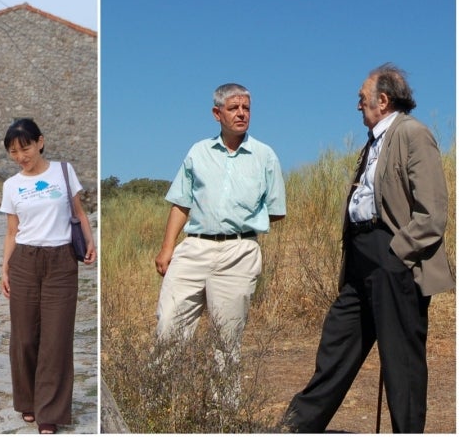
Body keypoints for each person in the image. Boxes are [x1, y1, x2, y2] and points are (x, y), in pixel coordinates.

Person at [282, 64, 454, 433]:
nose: (357, 104)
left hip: (392, 254)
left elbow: (433, 211)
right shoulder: (373, 142)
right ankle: (298, 427)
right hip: (360, 257)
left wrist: (397, 254)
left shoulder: (413, 134)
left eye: (362, 98)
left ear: (383, 100)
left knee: (401, 360)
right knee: (337, 344)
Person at [154, 83, 286, 379]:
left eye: (246, 108)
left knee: (227, 339)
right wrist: (167, 248)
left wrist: (242, 220)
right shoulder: (198, 152)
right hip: (194, 248)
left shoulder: (265, 156)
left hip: (239, 252)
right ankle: (160, 405)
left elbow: (276, 210)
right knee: (168, 326)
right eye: (233, 108)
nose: (241, 114)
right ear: (217, 113)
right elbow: (180, 203)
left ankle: (222, 415)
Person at [0, 118, 96, 434]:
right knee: (24, 337)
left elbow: (78, 213)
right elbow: (12, 231)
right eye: (13, 151)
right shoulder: (12, 185)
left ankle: (49, 412)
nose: (20, 156)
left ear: (40, 142)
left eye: (24, 147)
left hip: (61, 261)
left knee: (56, 338)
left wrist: (90, 241)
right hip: (25, 260)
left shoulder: (64, 172)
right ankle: (27, 400)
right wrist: (5, 268)